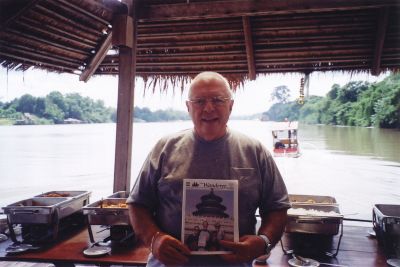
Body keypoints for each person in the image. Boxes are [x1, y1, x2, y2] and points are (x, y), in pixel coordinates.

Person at [127, 71, 290, 267]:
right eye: (199, 101)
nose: (209, 108)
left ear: (231, 106)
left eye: (218, 100)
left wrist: (263, 242)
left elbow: (276, 208)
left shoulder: (255, 151)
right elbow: (137, 204)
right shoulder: (165, 148)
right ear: (188, 107)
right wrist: (154, 240)